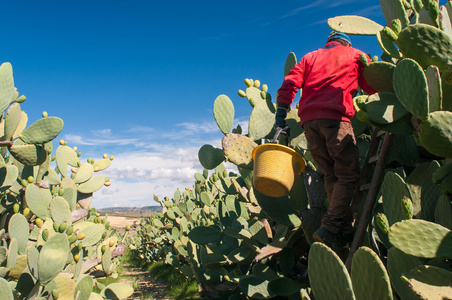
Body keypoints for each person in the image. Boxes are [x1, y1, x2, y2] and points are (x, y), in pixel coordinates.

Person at [274, 32, 376, 253]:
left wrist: (281, 115)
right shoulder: (355, 54)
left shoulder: (309, 57)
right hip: (336, 120)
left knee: (331, 176)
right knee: (348, 174)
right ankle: (329, 228)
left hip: (309, 124)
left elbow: (290, 83)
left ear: (329, 42)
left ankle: (344, 229)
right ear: (346, 43)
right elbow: (370, 87)